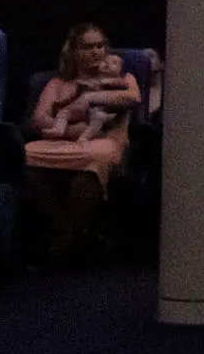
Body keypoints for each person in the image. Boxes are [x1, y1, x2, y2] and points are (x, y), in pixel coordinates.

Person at [23, 24, 143, 263]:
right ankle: (72, 236)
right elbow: (40, 119)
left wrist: (89, 97)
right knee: (26, 157)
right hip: (64, 145)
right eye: (88, 47)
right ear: (74, 52)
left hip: (103, 144)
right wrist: (73, 129)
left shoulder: (122, 79)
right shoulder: (57, 84)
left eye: (100, 46)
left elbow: (132, 98)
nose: (96, 51)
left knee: (86, 174)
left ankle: (66, 240)